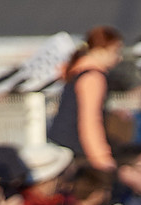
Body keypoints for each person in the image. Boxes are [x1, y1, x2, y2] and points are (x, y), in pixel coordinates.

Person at [49, 26, 125, 174]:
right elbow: (90, 120)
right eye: (116, 51)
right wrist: (101, 158)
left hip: (63, 146)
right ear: (101, 50)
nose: (119, 57)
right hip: (79, 151)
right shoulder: (93, 77)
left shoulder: (77, 71)